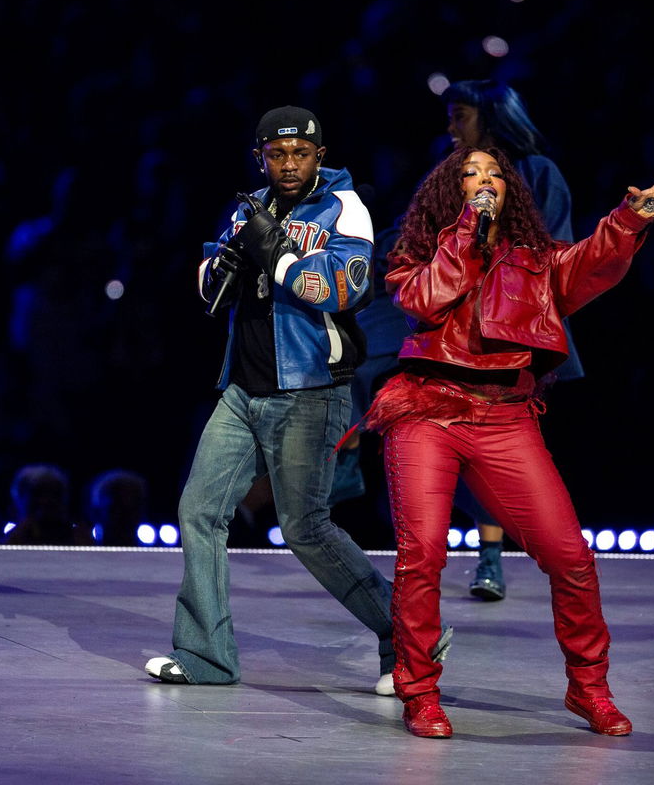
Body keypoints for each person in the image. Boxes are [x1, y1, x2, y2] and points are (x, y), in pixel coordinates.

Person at [365, 144, 654, 737]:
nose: (485, 181)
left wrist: (627, 220)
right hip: (426, 412)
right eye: (470, 174)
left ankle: (588, 687)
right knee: (423, 556)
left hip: (504, 415)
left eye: (494, 175)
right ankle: (420, 693)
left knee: (570, 556)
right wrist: (467, 228)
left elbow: (591, 263)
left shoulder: (536, 260)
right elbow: (429, 296)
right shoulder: (413, 254)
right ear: (449, 190)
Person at [145, 106, 450, 693]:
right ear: (260, 156)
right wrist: (225, 267)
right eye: (277, 154)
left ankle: (414, 636)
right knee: (198, 513)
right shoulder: (246, 208)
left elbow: (345, 288)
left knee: (306, 527)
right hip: (242, 388)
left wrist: (276, 256)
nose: (289, 164)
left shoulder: (345, 206)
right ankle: (207, 658)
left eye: (300, 153)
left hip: (312, 390)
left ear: (320, 155)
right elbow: (208, 291)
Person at [442, 79, 584, 601]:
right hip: (456, 329)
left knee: (499, 444)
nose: (452, 127)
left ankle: (501, 558)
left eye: (460, 115)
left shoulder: (537, 174)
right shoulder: (446, 174)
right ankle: (487, 558)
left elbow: (556, 250)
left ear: (489, 117)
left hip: (517, 333)